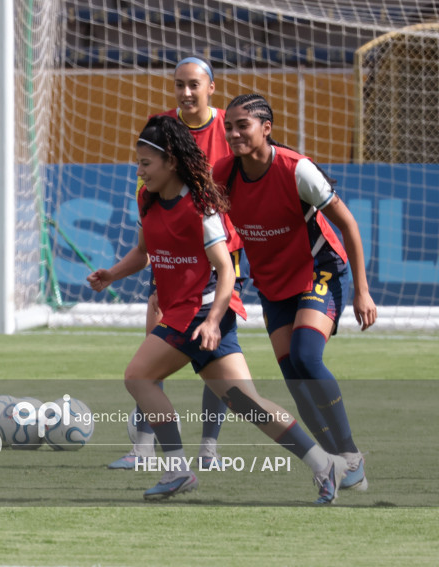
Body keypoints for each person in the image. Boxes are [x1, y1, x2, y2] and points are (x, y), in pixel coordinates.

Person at [88, 114, 348, 504]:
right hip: (195, 315)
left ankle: (176, 469)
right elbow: (144, 252)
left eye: (146, 164)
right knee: (248, 403)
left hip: (201, 312)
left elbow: (226, 271)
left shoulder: (202, 208)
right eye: (138, 164)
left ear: (171, 162)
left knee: (138, 376)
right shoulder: (147, 199)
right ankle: (324, 464)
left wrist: (211, 321)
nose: (140, 172)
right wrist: (112, 274)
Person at [213, 93, 375, 491]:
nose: (233, 133)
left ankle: (351, 455)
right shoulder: (224, 174)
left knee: (305, 355)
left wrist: (362, 292)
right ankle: (336, 465)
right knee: (294, 379)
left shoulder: (296, 169)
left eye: (243, 126)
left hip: (317, 271)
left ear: (266, 129)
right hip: (272, 285)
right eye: (229, 127)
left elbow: (349, 225)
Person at [108, 56, 247, 470]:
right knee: (156, 346)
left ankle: (208, 449)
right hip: (173, 251)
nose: (186, 93)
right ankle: (145, 449)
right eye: (179, 85)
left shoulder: (230, 129)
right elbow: (147, 188)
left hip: (219, 251)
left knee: (213, 353)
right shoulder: (161, 129)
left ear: (211, 88)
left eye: (193, 85)